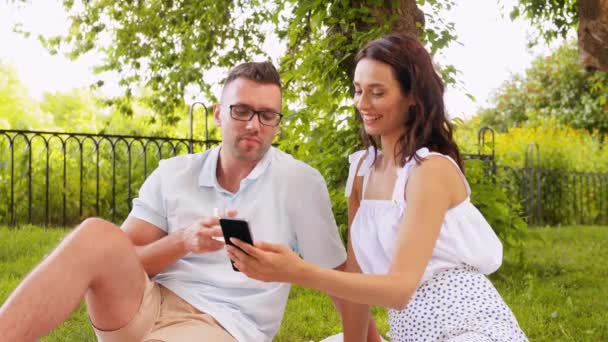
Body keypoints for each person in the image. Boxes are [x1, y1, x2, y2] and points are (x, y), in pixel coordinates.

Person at [0, 61, 382, 342]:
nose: (254, 125)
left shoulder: (299, 182)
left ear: (277, 125)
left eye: (267, 115)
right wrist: (182, 241)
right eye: (242, 111)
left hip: (223, 325)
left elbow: (339, 279)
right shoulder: (174, 173)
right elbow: (123, 261)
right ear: (219, 114)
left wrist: (365, 341)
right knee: (96, 235)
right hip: (146, 305)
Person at [226, 35, 529, 341]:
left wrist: (298, 271)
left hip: (468, 329)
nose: (363, 104)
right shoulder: (362, 171)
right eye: (358, 91)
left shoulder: (430, 171)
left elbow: (399, 290)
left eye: (377, 92)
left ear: (412, 96)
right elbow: (356, 278)